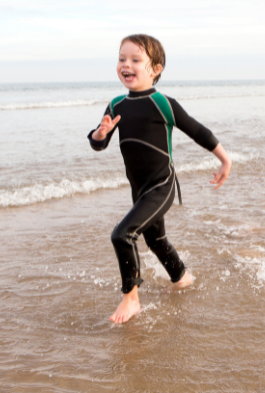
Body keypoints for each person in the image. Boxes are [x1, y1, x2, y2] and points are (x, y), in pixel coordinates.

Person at [88, 34, 232, 324]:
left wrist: (224, 159)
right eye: (121, 58)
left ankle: (131, 298)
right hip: (139, 190)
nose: (126, 64)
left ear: (155, 69)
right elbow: (98, 142)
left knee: (122, 234)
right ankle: (182, 278)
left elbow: (197, 131)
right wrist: (100, 134)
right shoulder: (116, 105)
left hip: (161, 185)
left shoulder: (163, 103)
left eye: (135, 60)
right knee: (156, 241)